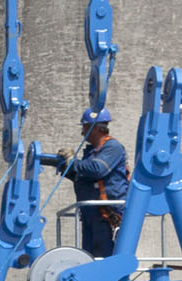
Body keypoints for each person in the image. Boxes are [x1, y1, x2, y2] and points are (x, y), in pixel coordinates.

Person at [36, 109, 129, 255]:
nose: (82, 132)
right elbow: (84, 177)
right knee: (90, 258)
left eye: (85, 127)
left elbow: (98, 169)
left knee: (103, 259)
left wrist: (73, 163)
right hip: (90, 214)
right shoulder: (92, 152)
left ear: (95, 127)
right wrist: (64, 166)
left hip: (106, 216)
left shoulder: (112, 147)